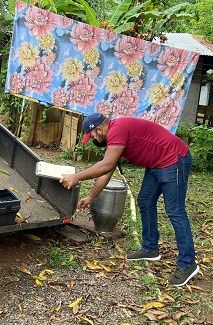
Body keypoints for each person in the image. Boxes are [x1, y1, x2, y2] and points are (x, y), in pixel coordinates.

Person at [59, 113, 199, 287]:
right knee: (145, 201)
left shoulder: (118, 130)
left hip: (174, 159)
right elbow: (106, 171)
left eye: (93, 135)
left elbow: (107, 165)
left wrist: (76, 177)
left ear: (100, 129)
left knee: (175, 211)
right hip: (157, 163)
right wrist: (90, 197)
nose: (93, 139)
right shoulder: (115, 139)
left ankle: (187, 263)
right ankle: (149, 248)